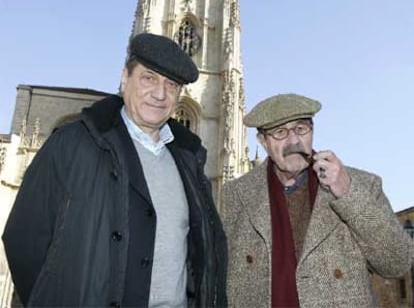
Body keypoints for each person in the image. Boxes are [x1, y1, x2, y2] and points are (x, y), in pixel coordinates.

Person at [2, 33, 227, 308]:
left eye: (171, 84)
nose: (160, 93)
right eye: (149, 78)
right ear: (124, 78)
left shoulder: (190, 161)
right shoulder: (72, 144)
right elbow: (23, 239)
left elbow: (200, 255)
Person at [221, 93, 413, 308]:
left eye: (301, 129)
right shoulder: (235, 194)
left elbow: (397, 263)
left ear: (312, 130)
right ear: (262, 141)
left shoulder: (362, 184)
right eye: (280, 132)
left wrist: (347, 193)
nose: (293, 141)